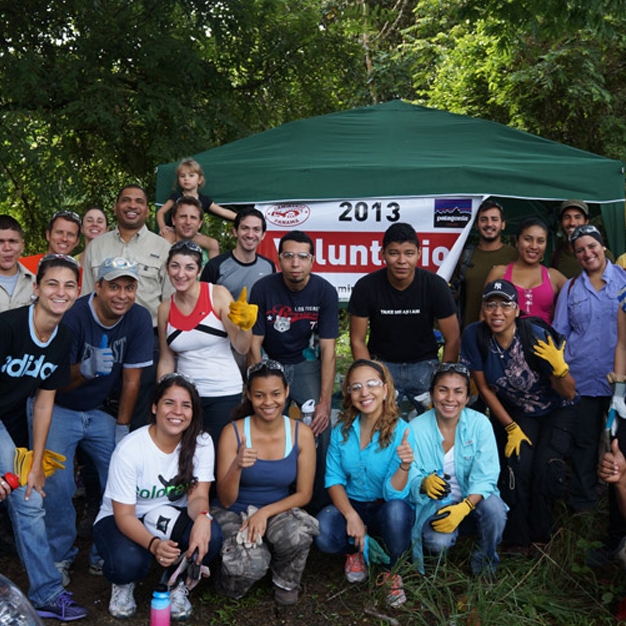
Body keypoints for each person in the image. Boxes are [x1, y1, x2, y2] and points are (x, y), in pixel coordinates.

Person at [34, 257, 153, 585]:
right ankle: (59, 556)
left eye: (129, 287)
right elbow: (53, 380)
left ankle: (105, 551)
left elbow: (132, 381)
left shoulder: (139, 317)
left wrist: (122, 430)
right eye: (114, 286)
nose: (122, 295)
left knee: (121, 473)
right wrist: (83, 370)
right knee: (58, 482)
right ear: (97, 287)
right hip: (58, 405)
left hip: (101, 411)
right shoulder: (72, 316)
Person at [0, 254, 88, 621]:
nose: (60, 291)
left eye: (69, 285)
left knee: (30, 495)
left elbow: (43, 405)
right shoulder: (8, 327)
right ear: (35, 288)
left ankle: (47, 594)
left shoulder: (63, 336)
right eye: (52, 283)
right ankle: (47, 591)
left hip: (14, 420)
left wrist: (35, 464)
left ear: (78, 292)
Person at [92, 373, 223, 620]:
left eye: (186, 405)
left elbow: (197, 497)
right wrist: (153, 545)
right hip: (122, 518)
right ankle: (122, 582)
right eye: (169, 403)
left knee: (211, 535)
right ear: (154, 407)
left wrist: (203, 518)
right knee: (129, 562)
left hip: (166, 514)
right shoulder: (130, 449)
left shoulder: (202, 442)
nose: (177, 412)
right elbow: (124, 515)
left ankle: (177, 583)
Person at [461, 279, 578, 552]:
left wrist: (560, 369)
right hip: (519, 411)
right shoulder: (475, 335)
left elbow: (569, 393)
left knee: (544, 469)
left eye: (505, 305)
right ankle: (517, 539)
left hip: (557, 409)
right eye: (490, 305)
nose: (497, 312)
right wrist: (511, 427)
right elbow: (485, 389)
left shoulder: (535, 335)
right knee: (517, 468)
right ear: (483, 309)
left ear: (517, 310)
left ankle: (542, 537)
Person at [213, 360, 317, 605]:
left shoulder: (301, 433)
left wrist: (264, 513)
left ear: (287, 392)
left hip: (276, 510)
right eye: (259, 395)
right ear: (248, 395)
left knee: (299, 533)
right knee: (250, 565)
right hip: (234, 511)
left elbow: (304, 494)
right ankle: (228, 581)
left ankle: (285, 580)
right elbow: (225, 499)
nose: (268, 402)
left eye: (276, 394)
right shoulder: (233, 432)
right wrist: (237, 465)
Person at [249, 230, 339, 511]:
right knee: (263, 419)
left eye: (303, 257)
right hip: (270, 363)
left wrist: (324, 403)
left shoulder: (325, 291)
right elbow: (254, 345)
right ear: (279, 260)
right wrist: (255, 389)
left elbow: (329, 351)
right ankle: (271, 494)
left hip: (304, 364)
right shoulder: (263, 288)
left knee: (321, 426)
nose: (295, 263)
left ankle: (320, 503)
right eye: (289, 256)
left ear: (313, 260)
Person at [315, 359, 415, 608]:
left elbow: (394, 494)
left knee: (397, 512)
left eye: (371, 384)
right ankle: (354, 551)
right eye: (356, 387)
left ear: (385, 389)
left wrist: (404, 466)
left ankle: (393, 570)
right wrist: (351, 516)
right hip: (354, 504)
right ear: (348, 393)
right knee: (323, 530)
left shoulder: (401, 431)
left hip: (386, 508)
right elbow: (334, 479)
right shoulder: (342, 431)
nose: (364, 392)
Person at [82, 184, 173, 428]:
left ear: (146, 210)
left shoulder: (163, 248)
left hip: (147, 340)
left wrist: (165, 350)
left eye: (139, 201)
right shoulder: (96, 246)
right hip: (100, 337)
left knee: (140, 411)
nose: (132, 205)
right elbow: (86, 296)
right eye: (126, 200)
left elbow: (169, 305)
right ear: (116, 207)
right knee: (98, 406)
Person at [348, 222, 460, 413]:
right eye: (394, 253)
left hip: (425, 366)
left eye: (408, 253)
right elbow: (357, 340)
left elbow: (453, 338)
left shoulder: (435, 286)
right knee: (379, 425)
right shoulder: (366, 287)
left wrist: (442, 378)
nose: (401, 260)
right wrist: (370, 378)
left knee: (435, 424)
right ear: (382, 254)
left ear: (419, 254)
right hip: (382, 365)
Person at [408, 363, 507, 578]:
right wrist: (423, 483)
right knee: (438, 542)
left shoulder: (480, 424)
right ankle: (437, 570)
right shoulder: (415, 428)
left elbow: (488, 475)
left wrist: (466, 506)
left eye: (458, 391)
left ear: (467, 396)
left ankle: (485, 566)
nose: (450, 398)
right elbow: (409, 472)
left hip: (473, 501)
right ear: (433, 393)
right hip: (435, 505)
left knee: (496, 511)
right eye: (443, 390)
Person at [552, 225, 626, 510]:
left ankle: (616, 509)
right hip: (582, 379)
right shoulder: (571, 288)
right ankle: (583, 505)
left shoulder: (623, 281)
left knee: (619, 444)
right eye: (580, 249)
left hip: (619, 380)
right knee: (584, 445)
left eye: (592, 246)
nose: (587, 253)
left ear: (603, 246)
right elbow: (560, 335)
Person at [157, 240, 254, 446]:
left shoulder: (217, 294)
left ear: (199, 270)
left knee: (220, 456)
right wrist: (162, 395)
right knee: (185, 455)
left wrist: (246, 326)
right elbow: (166, 360)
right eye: (175, 266)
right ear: (167, 268)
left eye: (189, 267)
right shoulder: (165, 308)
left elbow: (241, 347)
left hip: (223, 392)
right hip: (185, 397)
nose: (181, 273)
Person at [486, 217, 567, 323]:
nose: (534, 246)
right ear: (517, 241)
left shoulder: (554, 276)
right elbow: (484, 315)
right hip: (506, 339)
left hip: (543, 339)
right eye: (528, 239)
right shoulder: (499, 273)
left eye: (540, 241)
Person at [451, 200, 517, 329]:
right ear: (476, 225)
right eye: (484, 219)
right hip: (469, 331)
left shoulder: (515, 256)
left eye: (494, 219)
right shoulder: (464, 256)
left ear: (503, 225)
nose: (489, 224)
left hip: (506, 334)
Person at [156, 158, 237, 259]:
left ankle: (213, 272)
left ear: (199, 179)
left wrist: (241, 217)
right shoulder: (176, 197)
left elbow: (223, 212)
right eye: (182, 176)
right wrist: (162, 226)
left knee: (213, 243)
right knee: (166, 241)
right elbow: (160, 212)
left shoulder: (204, 200)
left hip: (193, 233)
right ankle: (162, 268)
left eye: (191, 175)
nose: (186, 179)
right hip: (174, 231)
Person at [201, 207, 275, 301]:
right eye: (245, 228)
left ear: (263, 235)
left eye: (256, 229)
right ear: (235, 232)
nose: (250, 235)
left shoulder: (269, 266)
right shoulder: (215, 266)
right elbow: (203, 304)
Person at [550, 199, 614, 278]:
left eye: (578, 217)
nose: (572, 223)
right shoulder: (556, 256)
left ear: (586, 221)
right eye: (567, 217)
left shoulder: (602, 253)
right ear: (561, 222)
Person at [20, 211, 82, 276]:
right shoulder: (22, 266)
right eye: (59, 232)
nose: (64, 239)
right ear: (48, 235)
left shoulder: (83, 277)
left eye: (70, 234)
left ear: (77, 241)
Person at [0, 215, 34, 312]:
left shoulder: (35, 284)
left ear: (22, 246)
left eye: (12, 241)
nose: (7, 248)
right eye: (0, 242)